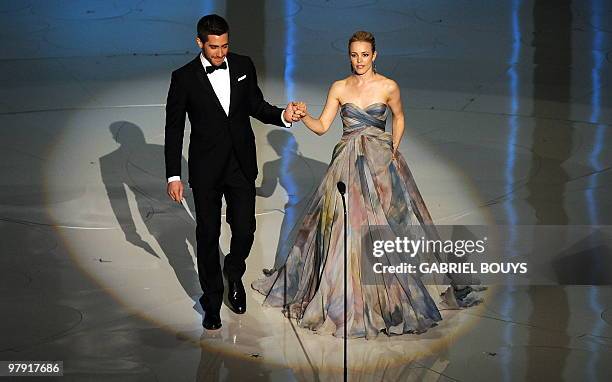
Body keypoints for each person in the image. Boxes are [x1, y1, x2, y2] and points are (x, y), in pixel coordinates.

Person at [252, 31, 480, 339]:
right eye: (354, 55)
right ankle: (349, 301)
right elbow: (321, 127)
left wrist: (392, 148)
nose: (359, 60)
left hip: (380, 163)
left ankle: (391, 300)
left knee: (392, 227)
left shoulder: (388, 86)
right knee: (345, 232)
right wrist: (305, 116)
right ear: (349, 55)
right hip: (346, 165)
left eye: (364, 54)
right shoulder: (339, 87)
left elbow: (399, 118)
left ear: (374, 55)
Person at [164, 14, 304, 330]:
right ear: (199, 42)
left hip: (241, 165)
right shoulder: (183, 78)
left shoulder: (242, 65)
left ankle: (234, 272)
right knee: (208, 234)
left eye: (225, 45)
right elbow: (174, 129)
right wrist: (174, 175)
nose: (221, 53)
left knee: (244, 230)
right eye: (214, 47)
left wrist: (283, 115)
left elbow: (255, 104)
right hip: (205, 170)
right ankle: (211, 301)